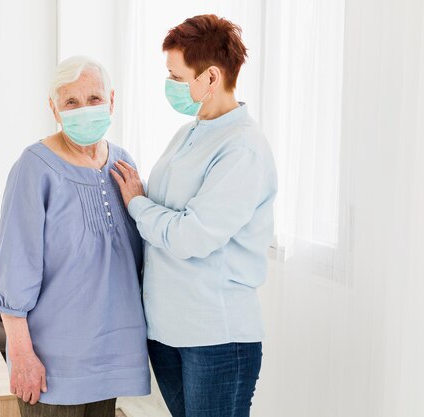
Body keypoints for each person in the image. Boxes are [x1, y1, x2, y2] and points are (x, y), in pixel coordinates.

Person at [111, 14, 278, 417]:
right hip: (168, 331)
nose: (169, 85)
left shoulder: (242, 148)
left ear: (210, 77)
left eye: (176, 76)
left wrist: (136, 204)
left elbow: (192, 235)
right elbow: (167, 215)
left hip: (216, 336)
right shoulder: (188, 133)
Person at [0, 55, 150, 417]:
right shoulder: (34, 167)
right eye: (71, 102)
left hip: (112, 359)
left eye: (93, 99)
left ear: (111, 100)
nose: (84, 110)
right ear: (54, 108)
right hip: (52, 366)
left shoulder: (123, 165)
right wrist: (21, 355)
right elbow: (14, 268)